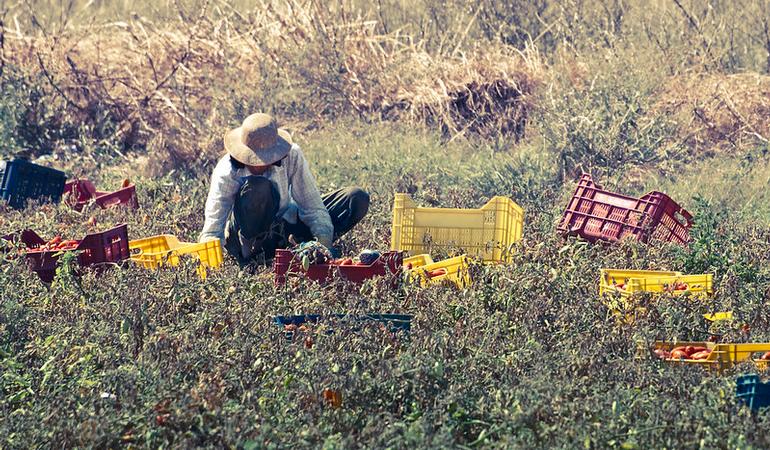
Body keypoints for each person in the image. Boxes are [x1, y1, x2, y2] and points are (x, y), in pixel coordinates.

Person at [198, 113, 370, 266]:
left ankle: (302, 250)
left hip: (285, 226)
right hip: (249, 238)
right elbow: (213, 226)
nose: (260, 163)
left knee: (355, 198)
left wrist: (324, 244)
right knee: (258, 188)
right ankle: (255, 257)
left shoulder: (292, 155)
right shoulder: (227, 170)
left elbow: (311, 205)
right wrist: (210, 259)